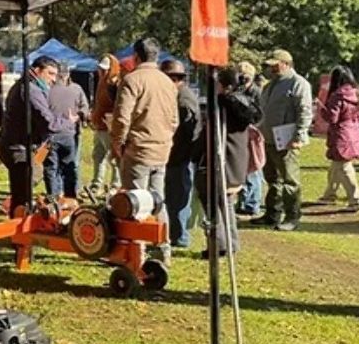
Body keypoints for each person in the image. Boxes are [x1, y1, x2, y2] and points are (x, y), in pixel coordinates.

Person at [110, 39, 179, 265]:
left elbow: (122, 118)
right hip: (161, 149)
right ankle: (163, 249)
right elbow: (174, 119)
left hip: (138, 150)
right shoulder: (168, 82)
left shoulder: (132, 80)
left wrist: (117, 144)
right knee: (158, 201)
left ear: (136, 57)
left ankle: (135, 254)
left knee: (134, 203)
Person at [196, 66, 262, 257]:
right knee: (225, 204)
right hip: (235, 162)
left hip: (222, 161)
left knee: (212, 202)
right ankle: (230, 242)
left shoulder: (224, 105)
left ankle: (219, 245)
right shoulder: (242, 103)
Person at [0, 56, 75, 214]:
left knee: (32, 180)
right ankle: (19, 228)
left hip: (27, 145)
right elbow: (49, 123)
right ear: (37, 71)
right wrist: (68, 121)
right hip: (18, 148)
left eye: (56, 75)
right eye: (50, 74)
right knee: (22, 195)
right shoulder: (30, 90)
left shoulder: (29, 87)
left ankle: (27, 216)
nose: (53, 80)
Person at [253, 49, 312, 232]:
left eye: (275, 64)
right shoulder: (270, 85)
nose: (271, 68)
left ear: (286, 64)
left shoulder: (298, 83)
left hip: (287, 141)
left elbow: (305, 111)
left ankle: (292, 216)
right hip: (268, 139)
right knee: (272, 179)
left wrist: (298, 137)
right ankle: (272, 214)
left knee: (290, 180)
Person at [316, 65, 359, 211]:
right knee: (336, 166)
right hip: (354, 132)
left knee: (344, 167)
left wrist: (321, 108)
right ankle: (330, 194)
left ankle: (356, 199)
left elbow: (332, 118)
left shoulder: (337, 95)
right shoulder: (358, 93)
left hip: (341, 134)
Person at [162, 59, 198, 248]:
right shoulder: (176, 96)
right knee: (171, 196)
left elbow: (191, 132)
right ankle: (174, 233)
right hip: (174, 155)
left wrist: (181, 154)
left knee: (179, 198)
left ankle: (180, 236)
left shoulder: (184, 99)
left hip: (181, 157)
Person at [43, 64, 91, 199]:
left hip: (52, 134)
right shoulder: (76, 89)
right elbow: (85, 107)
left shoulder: (48, 89)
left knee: (52, 167)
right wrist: (79, 116)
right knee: (69, 166)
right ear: (68, 74)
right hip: (68, 133)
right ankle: (70, 197)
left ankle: (54, 196)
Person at [233, 63, 264, 216]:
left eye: (245, 76)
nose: (242, 79)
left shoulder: (257, 93)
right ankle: (243, 200)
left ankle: (253, 203)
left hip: (253, 134)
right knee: (243, 168)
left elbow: (260, 114)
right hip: (241, 134)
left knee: (254, 169)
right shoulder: (237, 91)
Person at [88, 55, 122, 195]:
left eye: (105, 69)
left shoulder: (115, 84)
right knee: (98, 156)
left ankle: (115, 185)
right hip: (99, 126)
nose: (102, 72)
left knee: (114, 158)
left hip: (109, 127)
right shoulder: (102, 82)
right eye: (101, 69)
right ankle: (96, 184)